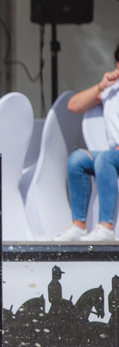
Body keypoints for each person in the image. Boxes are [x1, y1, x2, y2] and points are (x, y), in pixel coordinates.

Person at [55, 43, 119, 241]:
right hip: (113, 154)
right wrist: (102, 85)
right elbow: (73, 105)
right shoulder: (110, 91)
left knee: (105, 160)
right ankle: (79, 225)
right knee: (77, 159)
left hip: (111, 157)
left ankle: (106, 227)